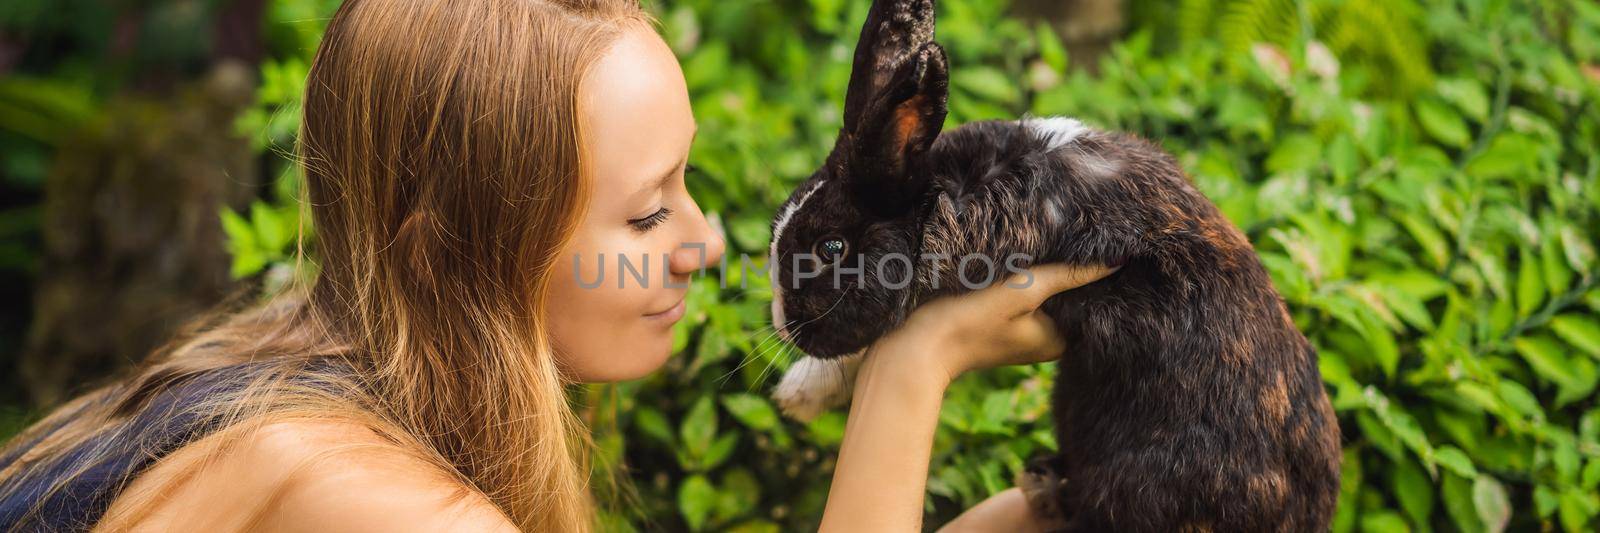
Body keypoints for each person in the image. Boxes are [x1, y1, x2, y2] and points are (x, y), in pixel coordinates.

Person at [0, 1, 1113, 530]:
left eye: (688, 183)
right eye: (644, 215)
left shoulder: (301, 362)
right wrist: (917, 359)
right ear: (447, 245)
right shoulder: (382, 501)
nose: (705, 240)